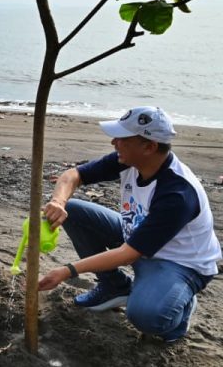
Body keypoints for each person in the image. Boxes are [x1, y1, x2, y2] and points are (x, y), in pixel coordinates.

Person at [37, 107, 221, 343]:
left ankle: (178, 308)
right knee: (72, 211)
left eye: (123, 139)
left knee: (145, 315)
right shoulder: (127, 160)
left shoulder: (178, 193)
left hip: (180, 263)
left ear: (149, 146)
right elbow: (72, 175)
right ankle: (113, 287)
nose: (114, 142)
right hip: (135, 236)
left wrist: (66, 271)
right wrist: (58, 201)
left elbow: (127, 255)